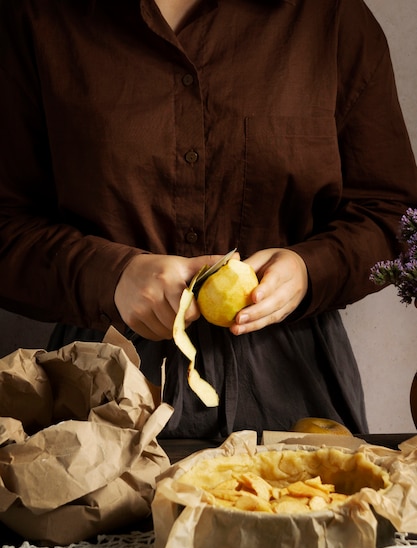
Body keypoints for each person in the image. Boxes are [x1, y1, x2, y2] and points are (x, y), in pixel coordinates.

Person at [0, 0, 416, 440]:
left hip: (294, 382)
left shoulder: (329, 16)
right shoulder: (36, 17)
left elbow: (392, 212)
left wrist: (308, 270)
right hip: (100, 388)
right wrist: (112, 277)